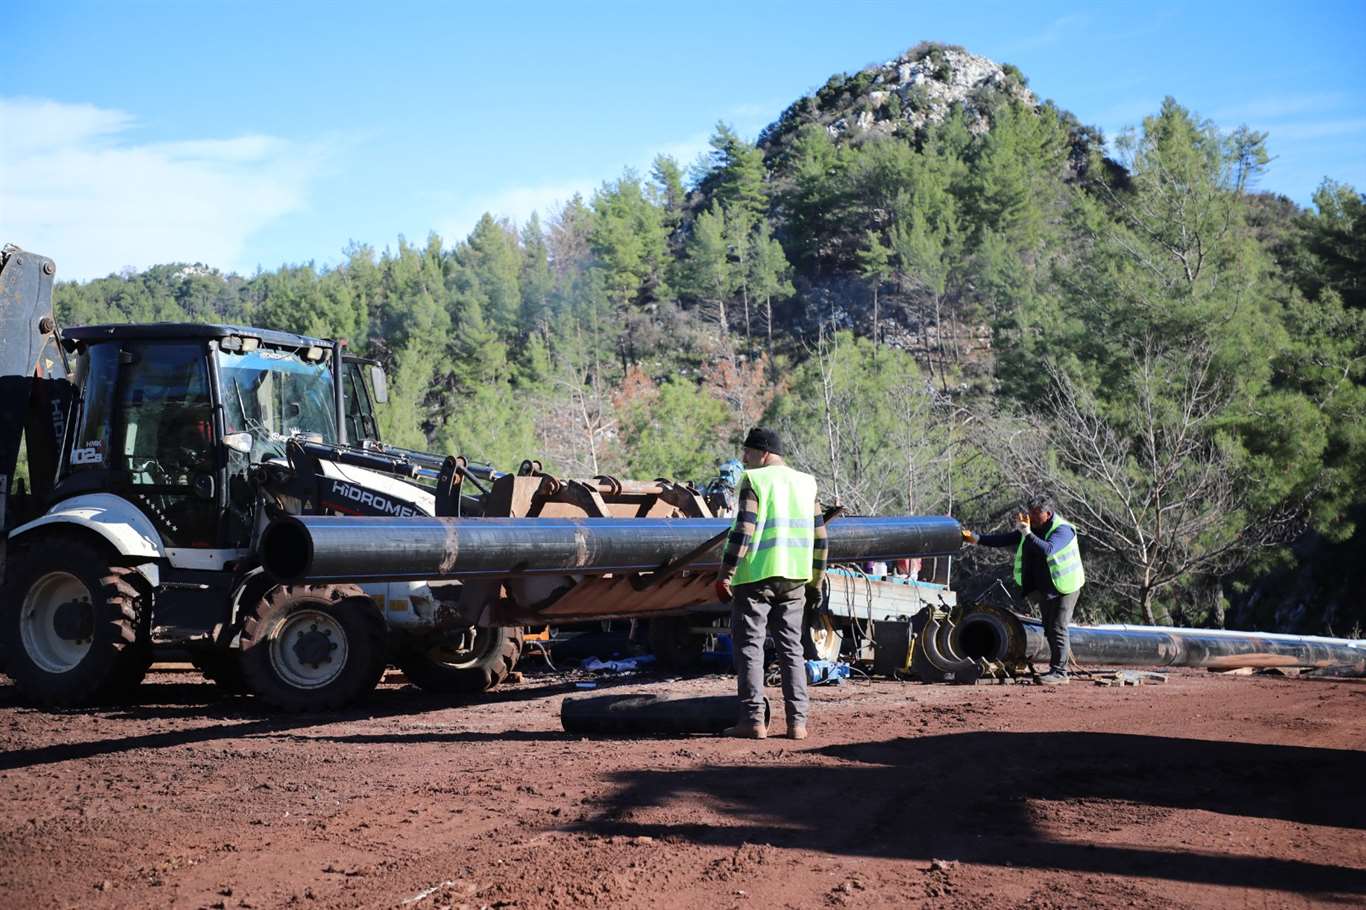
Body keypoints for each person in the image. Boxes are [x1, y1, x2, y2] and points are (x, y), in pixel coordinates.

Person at [713, 427, 827, 740]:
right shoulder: (807, 483)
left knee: (750, 647)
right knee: (792, 649)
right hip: (795, 579)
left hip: (755, 579)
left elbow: (744, 531)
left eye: (748, 453)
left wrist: (726, 574)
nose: (744, 459)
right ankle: (797, 724)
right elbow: (821, 539)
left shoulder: (755, 480)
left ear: (763, 452)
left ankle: (752, 720)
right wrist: (815, 581)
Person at [962, 496, 1085, 685]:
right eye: (1031, 513)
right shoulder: (1032, 527)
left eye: (1036, 514)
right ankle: (1057, 669)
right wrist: (976, 538)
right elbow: (1004, 539)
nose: (1032, 518)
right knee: (1049, 627)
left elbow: (1048, 549)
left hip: (1066, 586)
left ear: (1048, 514)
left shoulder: (1063, 530)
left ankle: (1060, 673)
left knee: (1058, 627)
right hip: (1047, 587)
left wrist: (1027, 533)